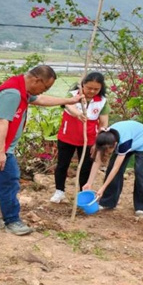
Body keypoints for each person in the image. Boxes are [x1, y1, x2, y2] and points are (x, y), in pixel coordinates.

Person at [0, 65, 82, 235]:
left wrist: (69, 101)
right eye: (45, 87)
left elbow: (40, 100)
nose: (44, 91)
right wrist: (0, 152)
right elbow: (1, 122)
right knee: (8, 182)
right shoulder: (12, 93)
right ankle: (12, 221)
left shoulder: (20, 87)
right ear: (37, 80)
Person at [50, 72, 110, 203]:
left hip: (89, 140)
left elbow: (104, 124)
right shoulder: (72, 96)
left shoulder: (102, 102)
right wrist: (78, 113)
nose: (92, 91)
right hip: (67, 137)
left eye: (96, 89)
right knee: (62, 165)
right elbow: (68, 105)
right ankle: (59, 191)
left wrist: (98, 142)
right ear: (82, 85)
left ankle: (83, 194)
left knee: (85, 167)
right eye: (89, 88)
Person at [83, 120, 143, 216]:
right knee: (111, 168)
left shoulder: (124, 143)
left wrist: (102, 189)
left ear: (115, 144)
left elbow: (116, 168)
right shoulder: (103, 140)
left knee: (140, 172)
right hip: (129, 136)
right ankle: (108, 202)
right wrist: (89, 183)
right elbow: (97, 162)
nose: (108, 153)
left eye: (109, 151)